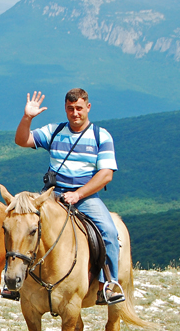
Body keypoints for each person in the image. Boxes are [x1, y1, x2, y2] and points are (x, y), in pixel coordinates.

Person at [13, 88, 124, 305]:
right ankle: (15, 281)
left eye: (79, 108)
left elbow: (106, 175)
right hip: (52, 195)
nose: (75, 113)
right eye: (70, 109)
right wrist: (28, 117)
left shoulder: (101, 136)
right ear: (65, 108)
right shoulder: (54, 131)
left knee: (109, 232)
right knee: (21, 223)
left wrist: (79, 194)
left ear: (88, 108)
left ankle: (108, 284)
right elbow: (22, 140)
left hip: (86, 197)